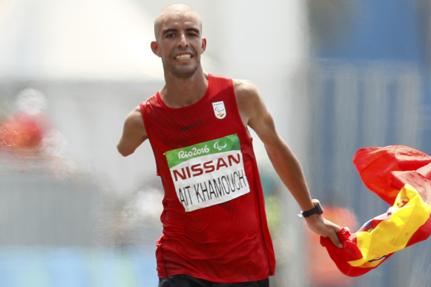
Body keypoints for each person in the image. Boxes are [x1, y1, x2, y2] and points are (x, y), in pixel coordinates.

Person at [117, 4, 341, 287]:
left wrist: (310, 212)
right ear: (156, 47)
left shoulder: (240, 96)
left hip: (245, 264)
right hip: (182, 264)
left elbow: (276, 149)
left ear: (203, 44)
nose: (183, 42)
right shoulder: (144, 119)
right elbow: (123, 147)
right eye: (171, 34)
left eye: (191, 33)